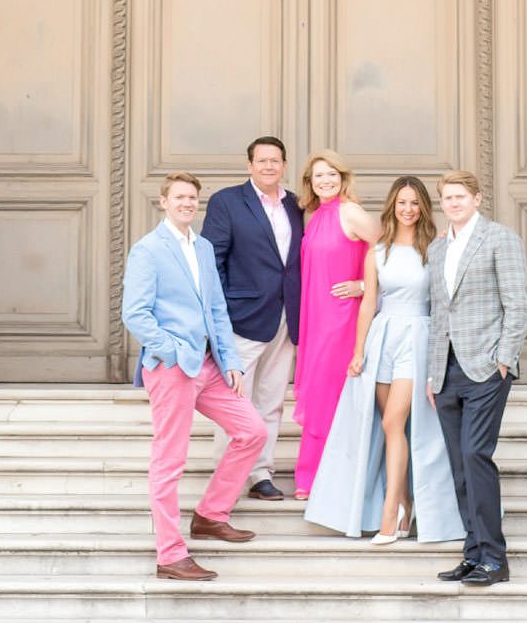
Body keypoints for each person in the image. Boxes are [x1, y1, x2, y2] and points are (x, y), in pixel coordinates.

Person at [121, 170, 268, 582]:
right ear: (164, 202)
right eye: (179, 197)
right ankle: (170, 555)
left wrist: (230, 360)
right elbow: (135, 313)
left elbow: (216, 309)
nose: (187, 203)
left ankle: (210, 515)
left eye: (192, 198)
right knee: (170, 459)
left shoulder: (202, 247)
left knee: (252, 432)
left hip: (210, 365)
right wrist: (171, 352)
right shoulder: (148, 250)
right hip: (172, 367)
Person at [304, 175, 464, 544]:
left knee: (394, 421)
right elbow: (369, 304)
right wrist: (359, 351)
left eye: (415, 203)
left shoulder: (436, 249)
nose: (408, 209)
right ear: (392, 206)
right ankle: (404, 501)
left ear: (424, 207)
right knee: (390, 427)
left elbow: (445, 304)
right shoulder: (378, 251)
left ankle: (390, 513)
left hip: (418, 338)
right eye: (402, 202)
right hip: (382, 339)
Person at [426, 170, 527, 587]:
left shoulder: (500, 239)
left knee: (475, 455)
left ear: (477, 199)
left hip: (485, 367)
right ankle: (473, 553)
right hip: (445, 371)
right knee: (458, 465)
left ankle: (495, 558)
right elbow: (438, 313)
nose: (453, 203)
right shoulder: (437, 247)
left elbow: (517, 304)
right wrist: (432, 374)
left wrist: (503, 359)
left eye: (460, 197)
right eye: (447, 198)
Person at [202, 135, 305, 500]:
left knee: (271, 399)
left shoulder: (296, 204)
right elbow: (211, 261)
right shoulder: (227, 202)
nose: (268, 166)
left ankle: (261, 473)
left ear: (284, 165)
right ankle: (226, 477)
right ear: (249, 165)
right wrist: (221, 314)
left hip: (285, 316)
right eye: (261, 160)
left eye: (275, 160)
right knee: (233, 400)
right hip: (241, 316)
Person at [291, 148, 377, 500]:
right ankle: (314, 474)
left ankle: (324, 478)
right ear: (309, 182)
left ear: (343, 178)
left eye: (332, 174)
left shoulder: (351, 212)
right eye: (319, 176)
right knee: (317, 393)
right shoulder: (314, 216)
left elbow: (392, 249)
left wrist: (363, 285)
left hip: (341, 321)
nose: (326, 180)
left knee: (329, 394)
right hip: (316, 318)